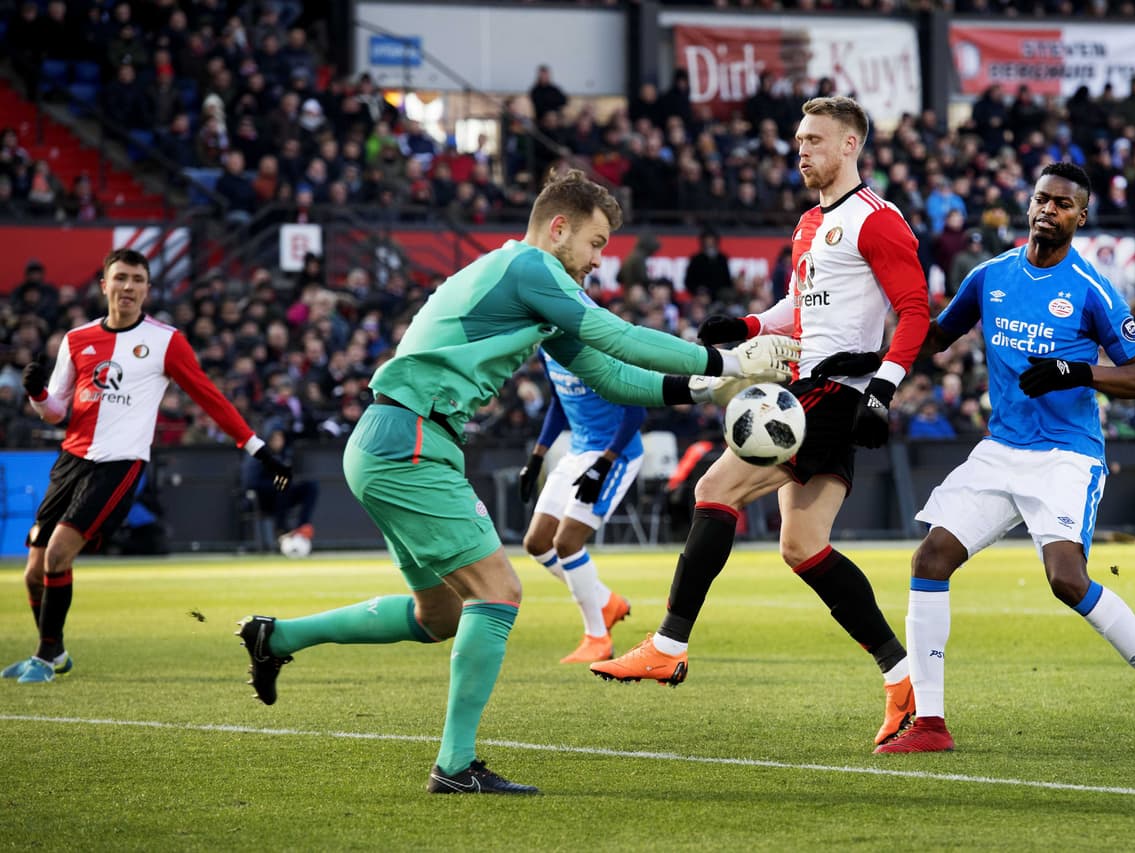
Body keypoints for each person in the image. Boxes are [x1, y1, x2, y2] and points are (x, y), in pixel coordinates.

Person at [234, 169, 799, 795]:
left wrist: (704, 388)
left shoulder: (524, 283)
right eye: (595, 243)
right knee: (499, 593)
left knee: (439, 615)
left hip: (395, 439)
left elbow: (612, 379)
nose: (596, 261)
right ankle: (453, 767)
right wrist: (724, 360)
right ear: (558, 228)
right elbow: (618, 335)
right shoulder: (533, 270)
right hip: (411, 440)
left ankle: (277, 637)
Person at [589, 96, 932, 750]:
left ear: (851, 145)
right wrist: (747, 325)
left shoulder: (878, 220)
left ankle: (668, 644)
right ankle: (902, 675)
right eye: (798, 140)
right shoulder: (809, 223)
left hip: (836, 390)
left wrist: (882, 390)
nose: (800, 150)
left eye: (814, 139)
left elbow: (915, 310)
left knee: (714, 488)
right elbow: (800, 308)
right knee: (801, 544)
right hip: (811, 384)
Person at [875, 163, 1135, 756]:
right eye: (1040, 200)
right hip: (1001, 449)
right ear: (1028, 206)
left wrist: (1077, 370)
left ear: (1081, 217)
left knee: (1065, 579)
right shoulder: (990, 275)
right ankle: (930, 723)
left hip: (1065, 456)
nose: (1047, 210)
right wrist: (876, 330)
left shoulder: (1092, 287)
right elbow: (934, 338)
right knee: (930, 559)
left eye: (1062, 204)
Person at [2, 248, 291, 684]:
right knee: (33, 572)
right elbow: (58, 412)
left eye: (138, 279)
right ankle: (57, 652)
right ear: (104, 285)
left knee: (58, 555)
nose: (128, 287)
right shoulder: (77, 339)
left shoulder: (165, 341)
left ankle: (42, 658)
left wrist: (259, 450)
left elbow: (209, 396)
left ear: (148, 289)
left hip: (119, 465)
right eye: (120, 278)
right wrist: (38, 395)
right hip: (70, 461)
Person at [519, 351, 644, 663]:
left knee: (567, 542)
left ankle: (597, 636)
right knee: (536, 543)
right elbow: (559, 404)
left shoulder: (599, 343)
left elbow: (636, 412)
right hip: (578, 451)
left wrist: (605, 462)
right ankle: (605, 601)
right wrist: (537, 455)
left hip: (616, 454)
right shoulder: (548, 348)